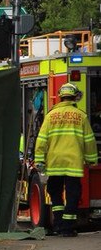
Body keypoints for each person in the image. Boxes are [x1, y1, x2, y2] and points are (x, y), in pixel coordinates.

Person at [35, 83, 98, 237]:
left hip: (55, 161)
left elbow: (41, 140)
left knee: (55, 192)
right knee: (73, 195)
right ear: (75, 96)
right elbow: (89, 140)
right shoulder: (81, 116)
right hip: (73, 163)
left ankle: (58, 225)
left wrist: (39, 160)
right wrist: (92, 160)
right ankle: (68, 229)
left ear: (60, 97)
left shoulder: (50, 116)